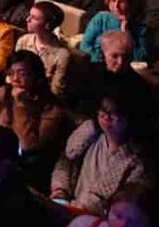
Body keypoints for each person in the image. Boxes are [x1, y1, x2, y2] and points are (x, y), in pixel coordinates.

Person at [51, 87, 150, 215]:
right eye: (103, 110)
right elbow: (66, 161)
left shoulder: (136, 161)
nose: (106, 117)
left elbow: (116, 205)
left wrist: (75, 209)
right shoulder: (89, 134)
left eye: (114, 113)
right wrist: (60, 191)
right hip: (66, 206)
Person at [0, 50, 66, 189]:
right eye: (11, 73)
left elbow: (28, 146)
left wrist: (21, 106)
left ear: (36, 76)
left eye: (22, 74)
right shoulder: (3, 92)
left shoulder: (51, 108)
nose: (15, 79)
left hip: (26, 165)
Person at [79, 0, 149, 64]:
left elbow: (141, 56)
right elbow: (85, 45)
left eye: (121, 1)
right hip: (97, 63)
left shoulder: (140, 28)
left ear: (130, 4)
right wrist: (101, 59)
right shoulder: (100, 18)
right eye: (113, 0)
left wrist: (126, 33)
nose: (116, 5)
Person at [15, 1, 71, 98]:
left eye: (34, 18)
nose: (28, 19)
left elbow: (56, 90)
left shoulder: (61, 54)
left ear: (47, 25)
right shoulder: (24, 41)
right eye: (29, 15)